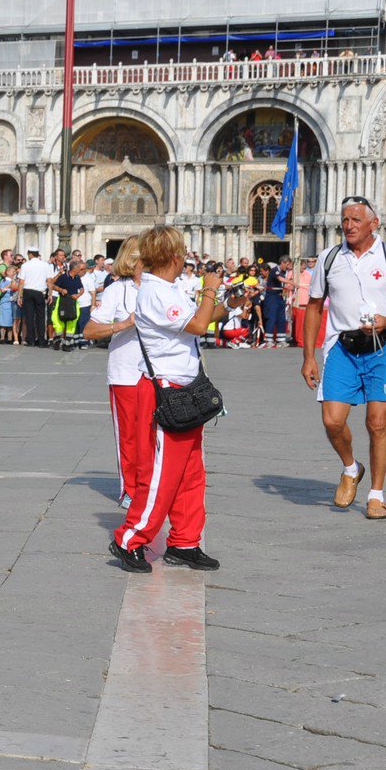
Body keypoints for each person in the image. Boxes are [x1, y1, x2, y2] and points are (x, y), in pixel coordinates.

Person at [109, 228, 235, 573]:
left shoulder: (168, 289)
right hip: (166, 391)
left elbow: (200, 320)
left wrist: (227, 305)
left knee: (191, 472)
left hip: (185, 387)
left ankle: (185, 541)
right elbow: (196, 324)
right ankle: (130, 538)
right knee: (163, 474)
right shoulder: (155, 292)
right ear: (174, 256)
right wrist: (210, 286)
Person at [300, 198, 386, 520]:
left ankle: (376, 495)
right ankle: (351, 467)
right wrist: (308, 356)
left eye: (355, 219)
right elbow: (313, 307)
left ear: (374, 223)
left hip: (383, 348)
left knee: (377, 423)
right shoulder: (329, 259)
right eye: (345, 220)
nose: (349, 225)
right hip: (340, 347)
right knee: (332, 421)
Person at [82, 238, 147, 510]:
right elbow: (90, 331)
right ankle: (130, 489)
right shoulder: (117, 291)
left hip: (159, 374)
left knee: (156, 435)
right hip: (126, 373)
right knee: (130, 435)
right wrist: (124, 324)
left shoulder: (169, 288)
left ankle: (152, 486)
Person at [17, 248, 53, 347]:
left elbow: (21, 282)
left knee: (29, 316)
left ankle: (31, 339)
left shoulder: (25, 265)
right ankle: (41, 340)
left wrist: (19, 296)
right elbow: (49, 280)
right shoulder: (45, 265)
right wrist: (50, 294)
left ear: (30, 254)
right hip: (40, 292)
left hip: (28, 291)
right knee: (41, 317)